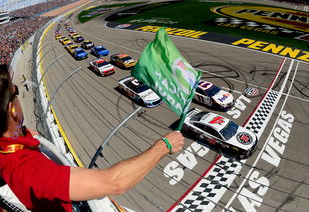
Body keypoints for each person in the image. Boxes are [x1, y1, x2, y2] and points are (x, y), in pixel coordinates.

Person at [0, 64, 185, 211]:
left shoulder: (9, 142)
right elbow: (114, 182)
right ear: (12, 110)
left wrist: (25, 133)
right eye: (15, 92)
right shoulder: (27, 170)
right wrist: (165, 145)